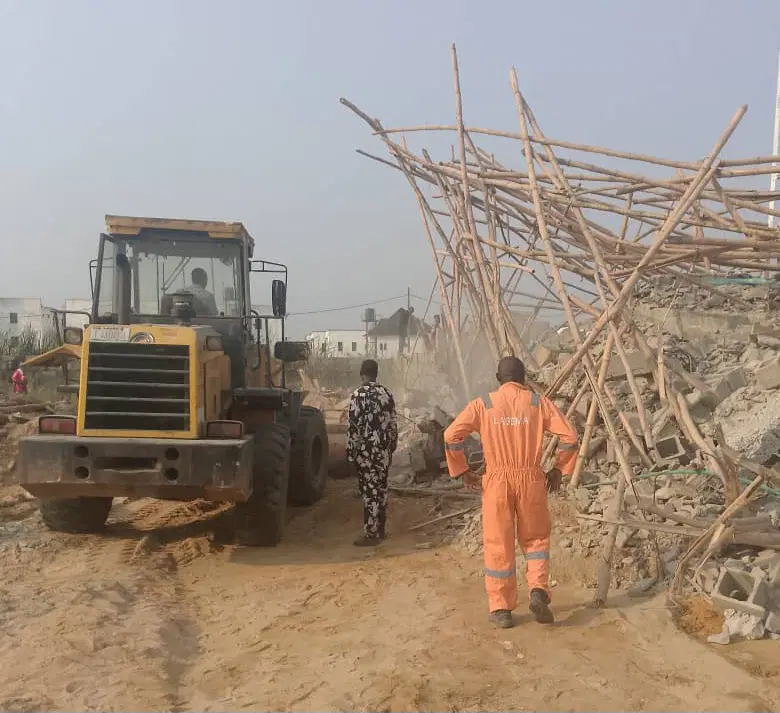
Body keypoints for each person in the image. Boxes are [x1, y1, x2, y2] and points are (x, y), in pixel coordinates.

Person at [444, 356, 578, 629]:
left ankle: (501, 609)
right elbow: (570, 438)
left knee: (498, 543)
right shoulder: (537, 403)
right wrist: (557, 470)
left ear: (498, 377)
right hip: (531, 479)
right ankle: (538, 590)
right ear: (524, 377)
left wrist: (462, 470)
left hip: (497, 481)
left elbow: (450, 436)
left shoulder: (485, 404)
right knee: (536, 539)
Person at [346, 359, 398, 547]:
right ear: (376, 374)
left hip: (365, 452)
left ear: (362, 374)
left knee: (369, 491)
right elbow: (393, 423)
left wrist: (351, 454)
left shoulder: (357, 395)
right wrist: (391, 446)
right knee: (382, 487)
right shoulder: (387, 394)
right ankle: (381, 529)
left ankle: (371, 534)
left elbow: (353, 429)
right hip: (383, 451)